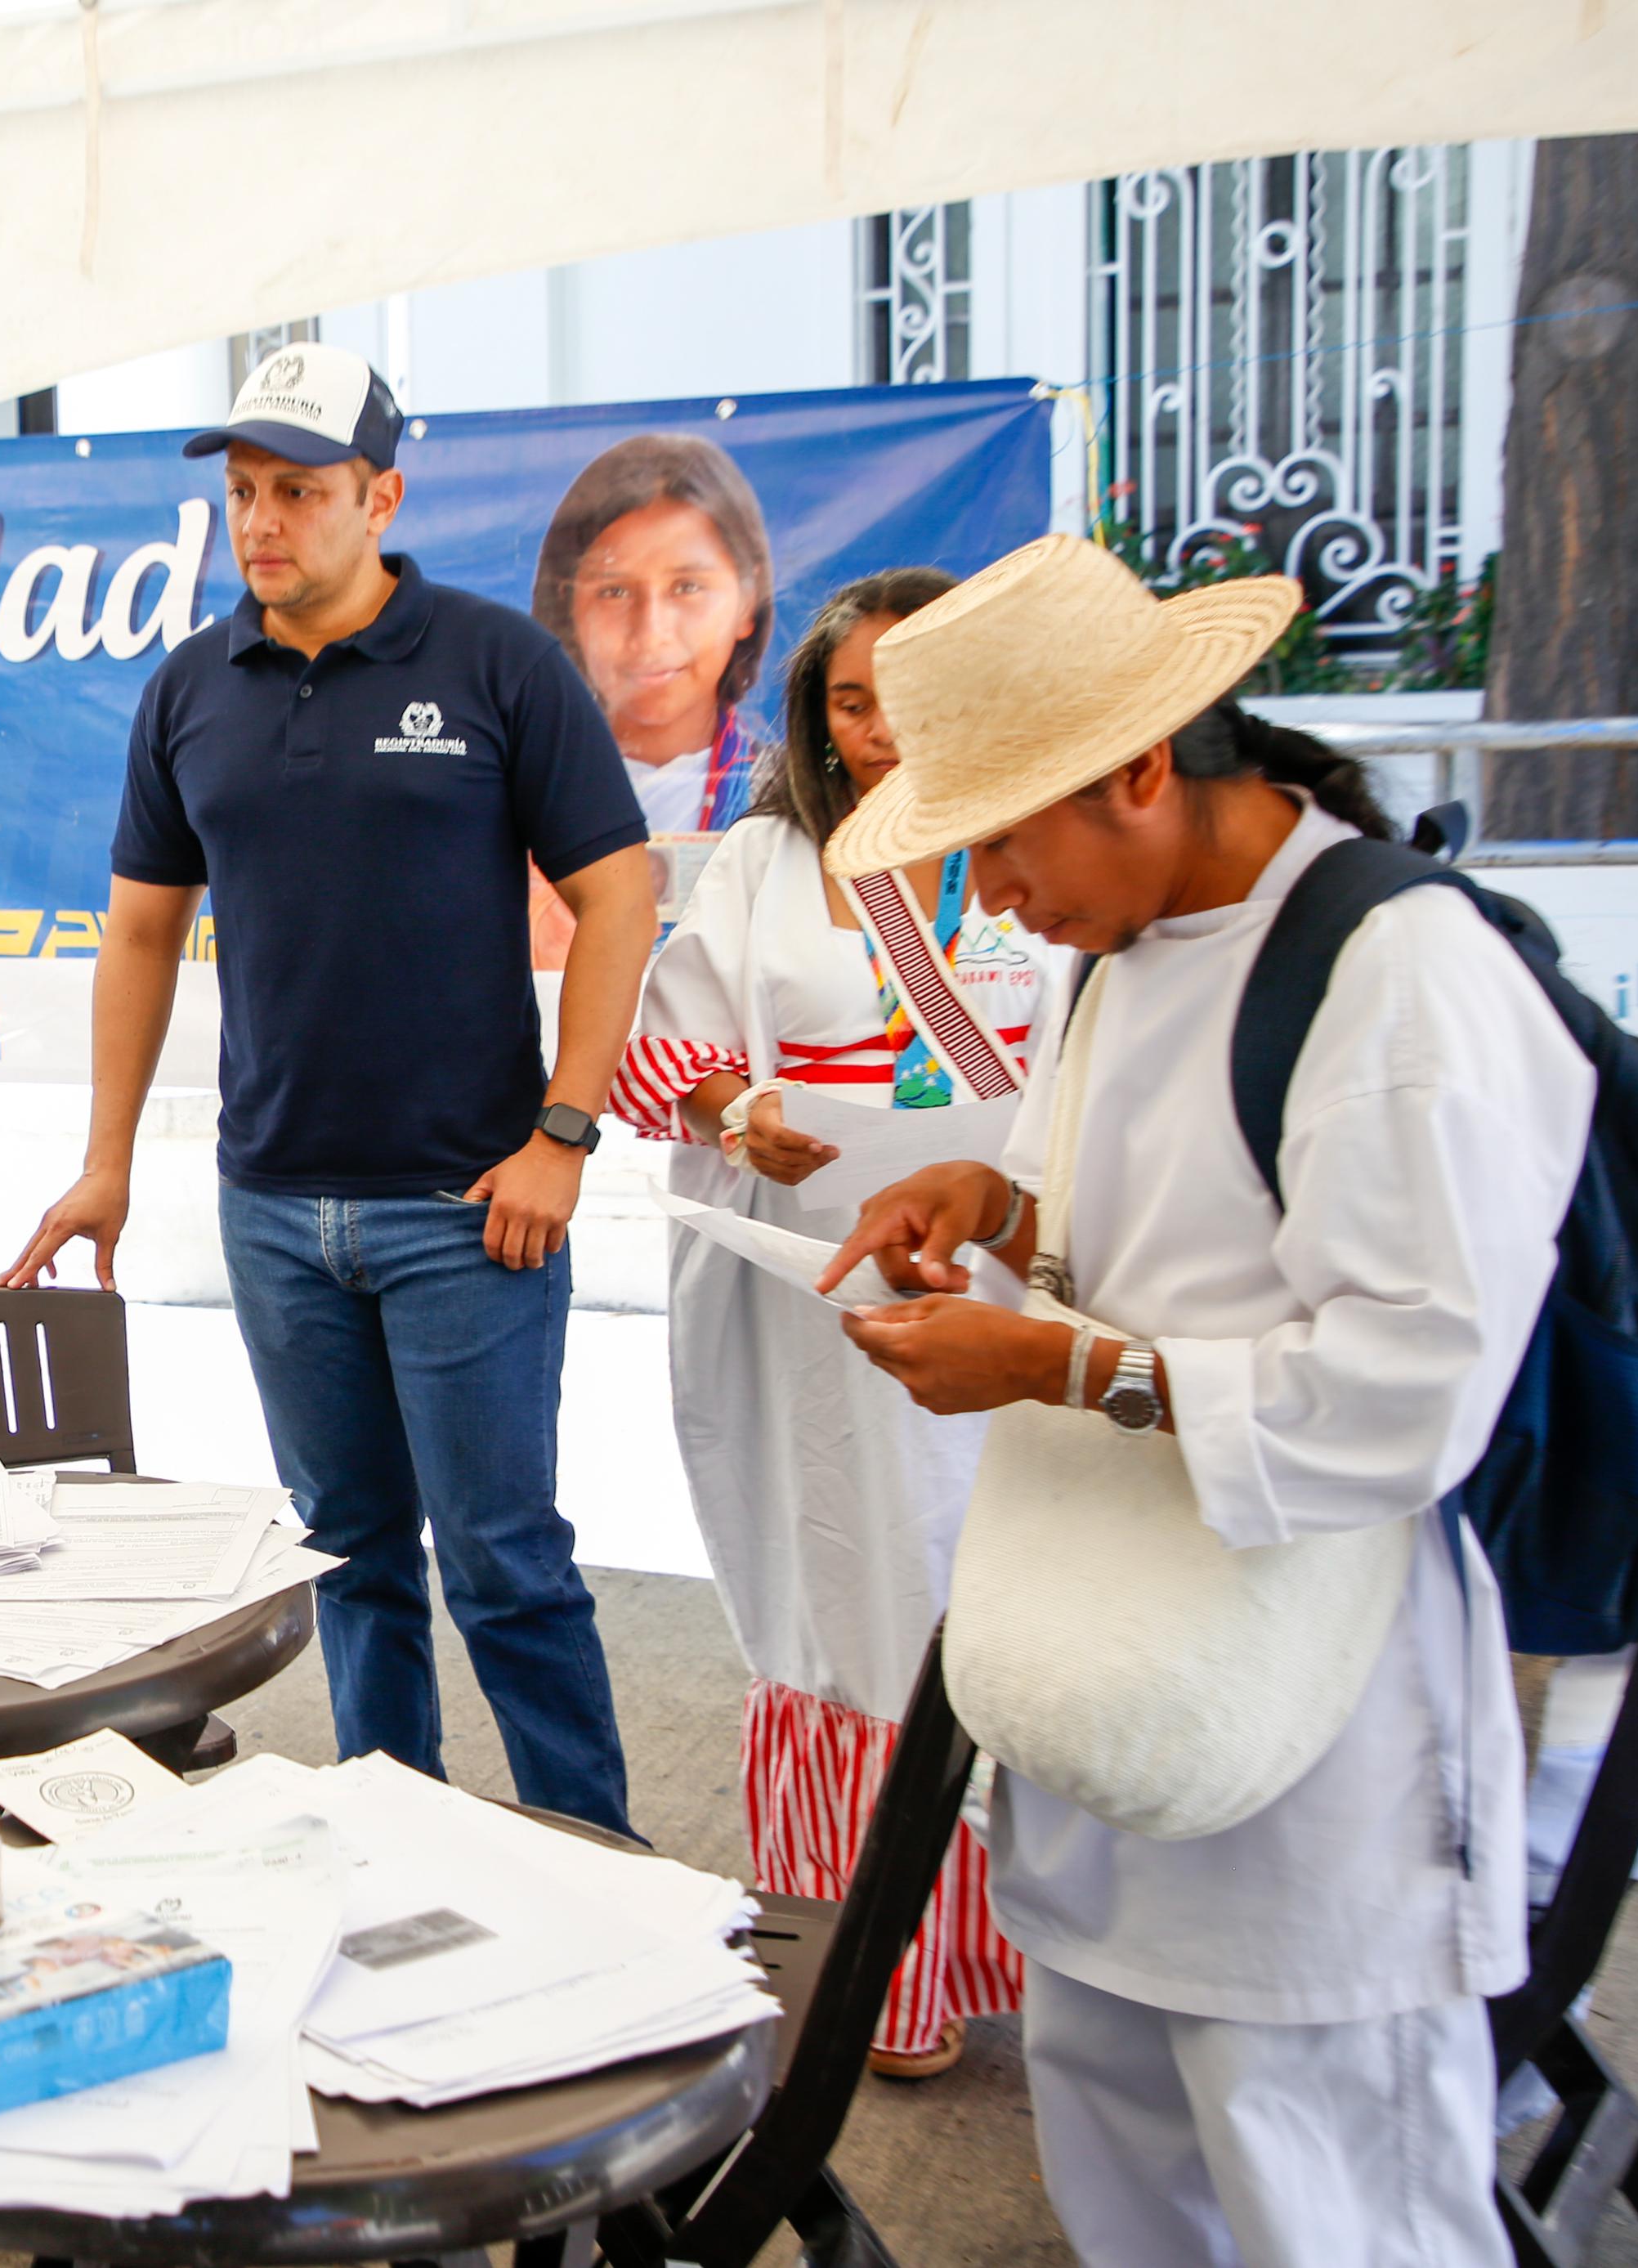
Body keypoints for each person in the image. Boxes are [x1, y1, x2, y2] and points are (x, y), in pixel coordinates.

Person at [818, 536, 1584, 2265]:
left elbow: (1406, 1391)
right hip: (1120, 1683)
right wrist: (993, 1207)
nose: (991, 893)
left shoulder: (1399, 975)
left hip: (1319, 1734)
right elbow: (1117, 1223)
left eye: (1005, 835)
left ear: (1144, 768)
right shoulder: (1128, 937)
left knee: (1335, 2197)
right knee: (1125, 2153)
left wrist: (1058, 1365)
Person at [0, 342, 659, 1832]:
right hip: (277, 1211)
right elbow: (144, 928)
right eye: (242, 491)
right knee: (350, 1557)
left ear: (381, 496)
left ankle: (609, 1869)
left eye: (298, 489)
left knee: (507, 1566)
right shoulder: (191, 689)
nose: (261, 520)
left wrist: (564, 1130)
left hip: (470, 1205)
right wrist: (105, 1160)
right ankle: (395, 1846)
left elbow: (620, 894)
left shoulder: (496, 663)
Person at [609, 567, 1057, 2078]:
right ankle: (882, 1966)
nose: (875, 731)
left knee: (1009, 1592)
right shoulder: (762, 856)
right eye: (848, 700)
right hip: (812, 1291)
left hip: (1021, 1283)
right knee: (848, 1593)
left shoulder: (1041, 844)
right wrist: (740, 1110)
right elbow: (663, 1049)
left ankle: (1028, 1941)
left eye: (907, 697)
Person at [530, 431, 776, 840]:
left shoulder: (798, 802)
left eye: (687, 587)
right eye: (615, 592)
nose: (651, 634)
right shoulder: (510, 799)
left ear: (747, 602)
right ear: (568, 608)